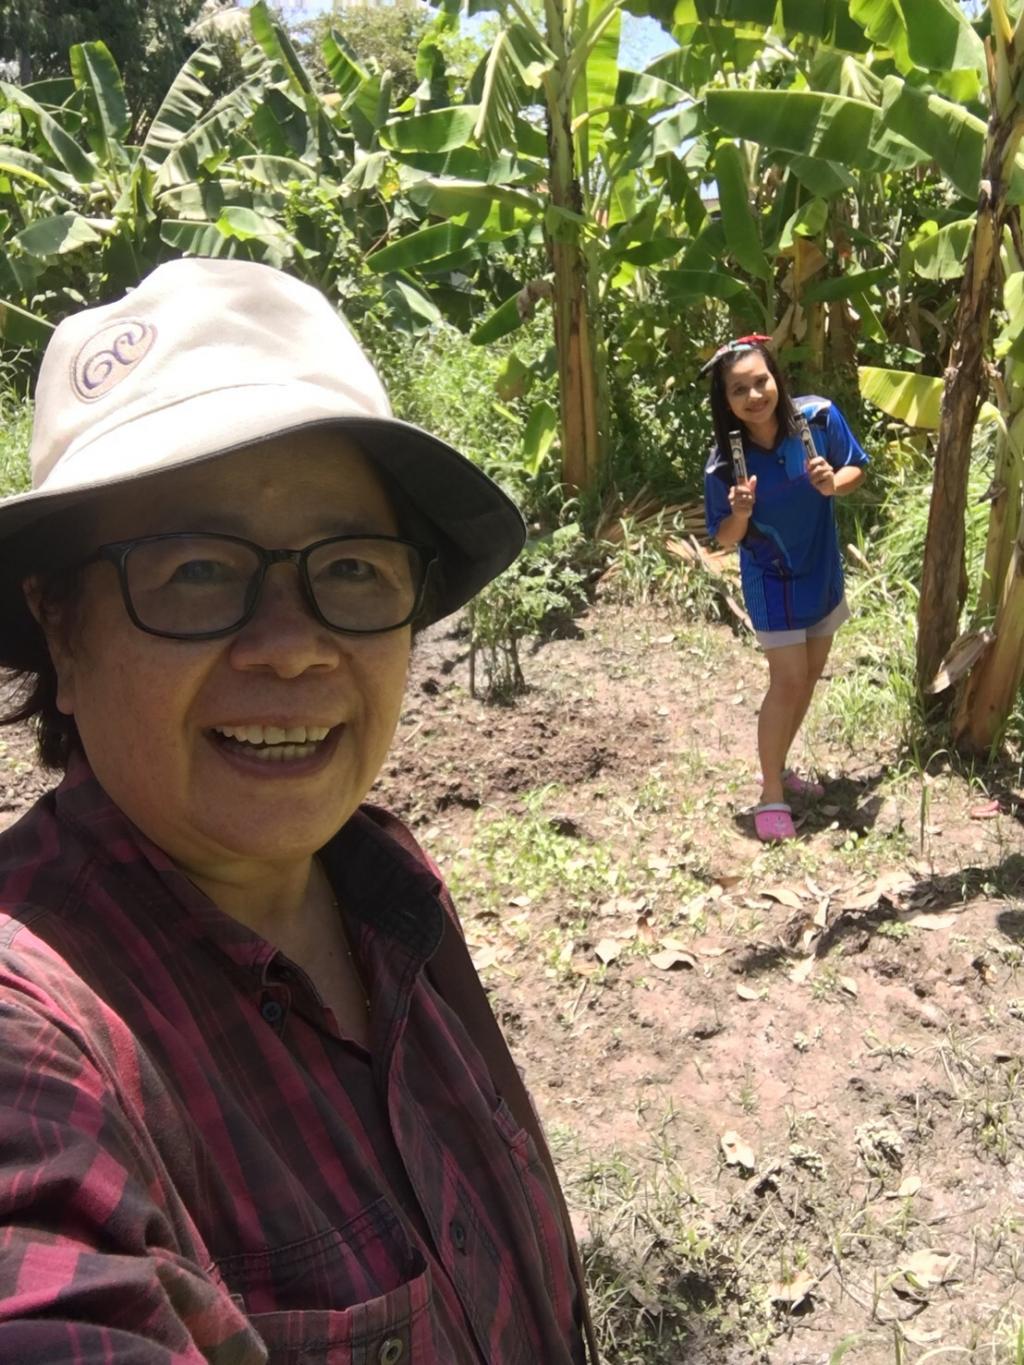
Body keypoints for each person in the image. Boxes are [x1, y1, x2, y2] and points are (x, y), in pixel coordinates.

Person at [0, 258, 597, 1363]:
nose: (292, 645)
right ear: (62, 632)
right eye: (194, 570)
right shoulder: (34, 1033)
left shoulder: (382, 878)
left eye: (354, 567)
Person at [702, 335, 868, 842]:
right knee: (789, 680)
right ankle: (771, 793)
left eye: (761, 381)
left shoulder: (819, 419)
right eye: (739, 390)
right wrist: (740, 512)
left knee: (809, 676)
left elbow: (856, 467)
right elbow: (724, 536)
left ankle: (778, 767)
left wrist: (833, 483)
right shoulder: (724, 463)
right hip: (771, 578)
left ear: (776, 377)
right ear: (725, 400)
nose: (754, 396)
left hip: (821, 566)